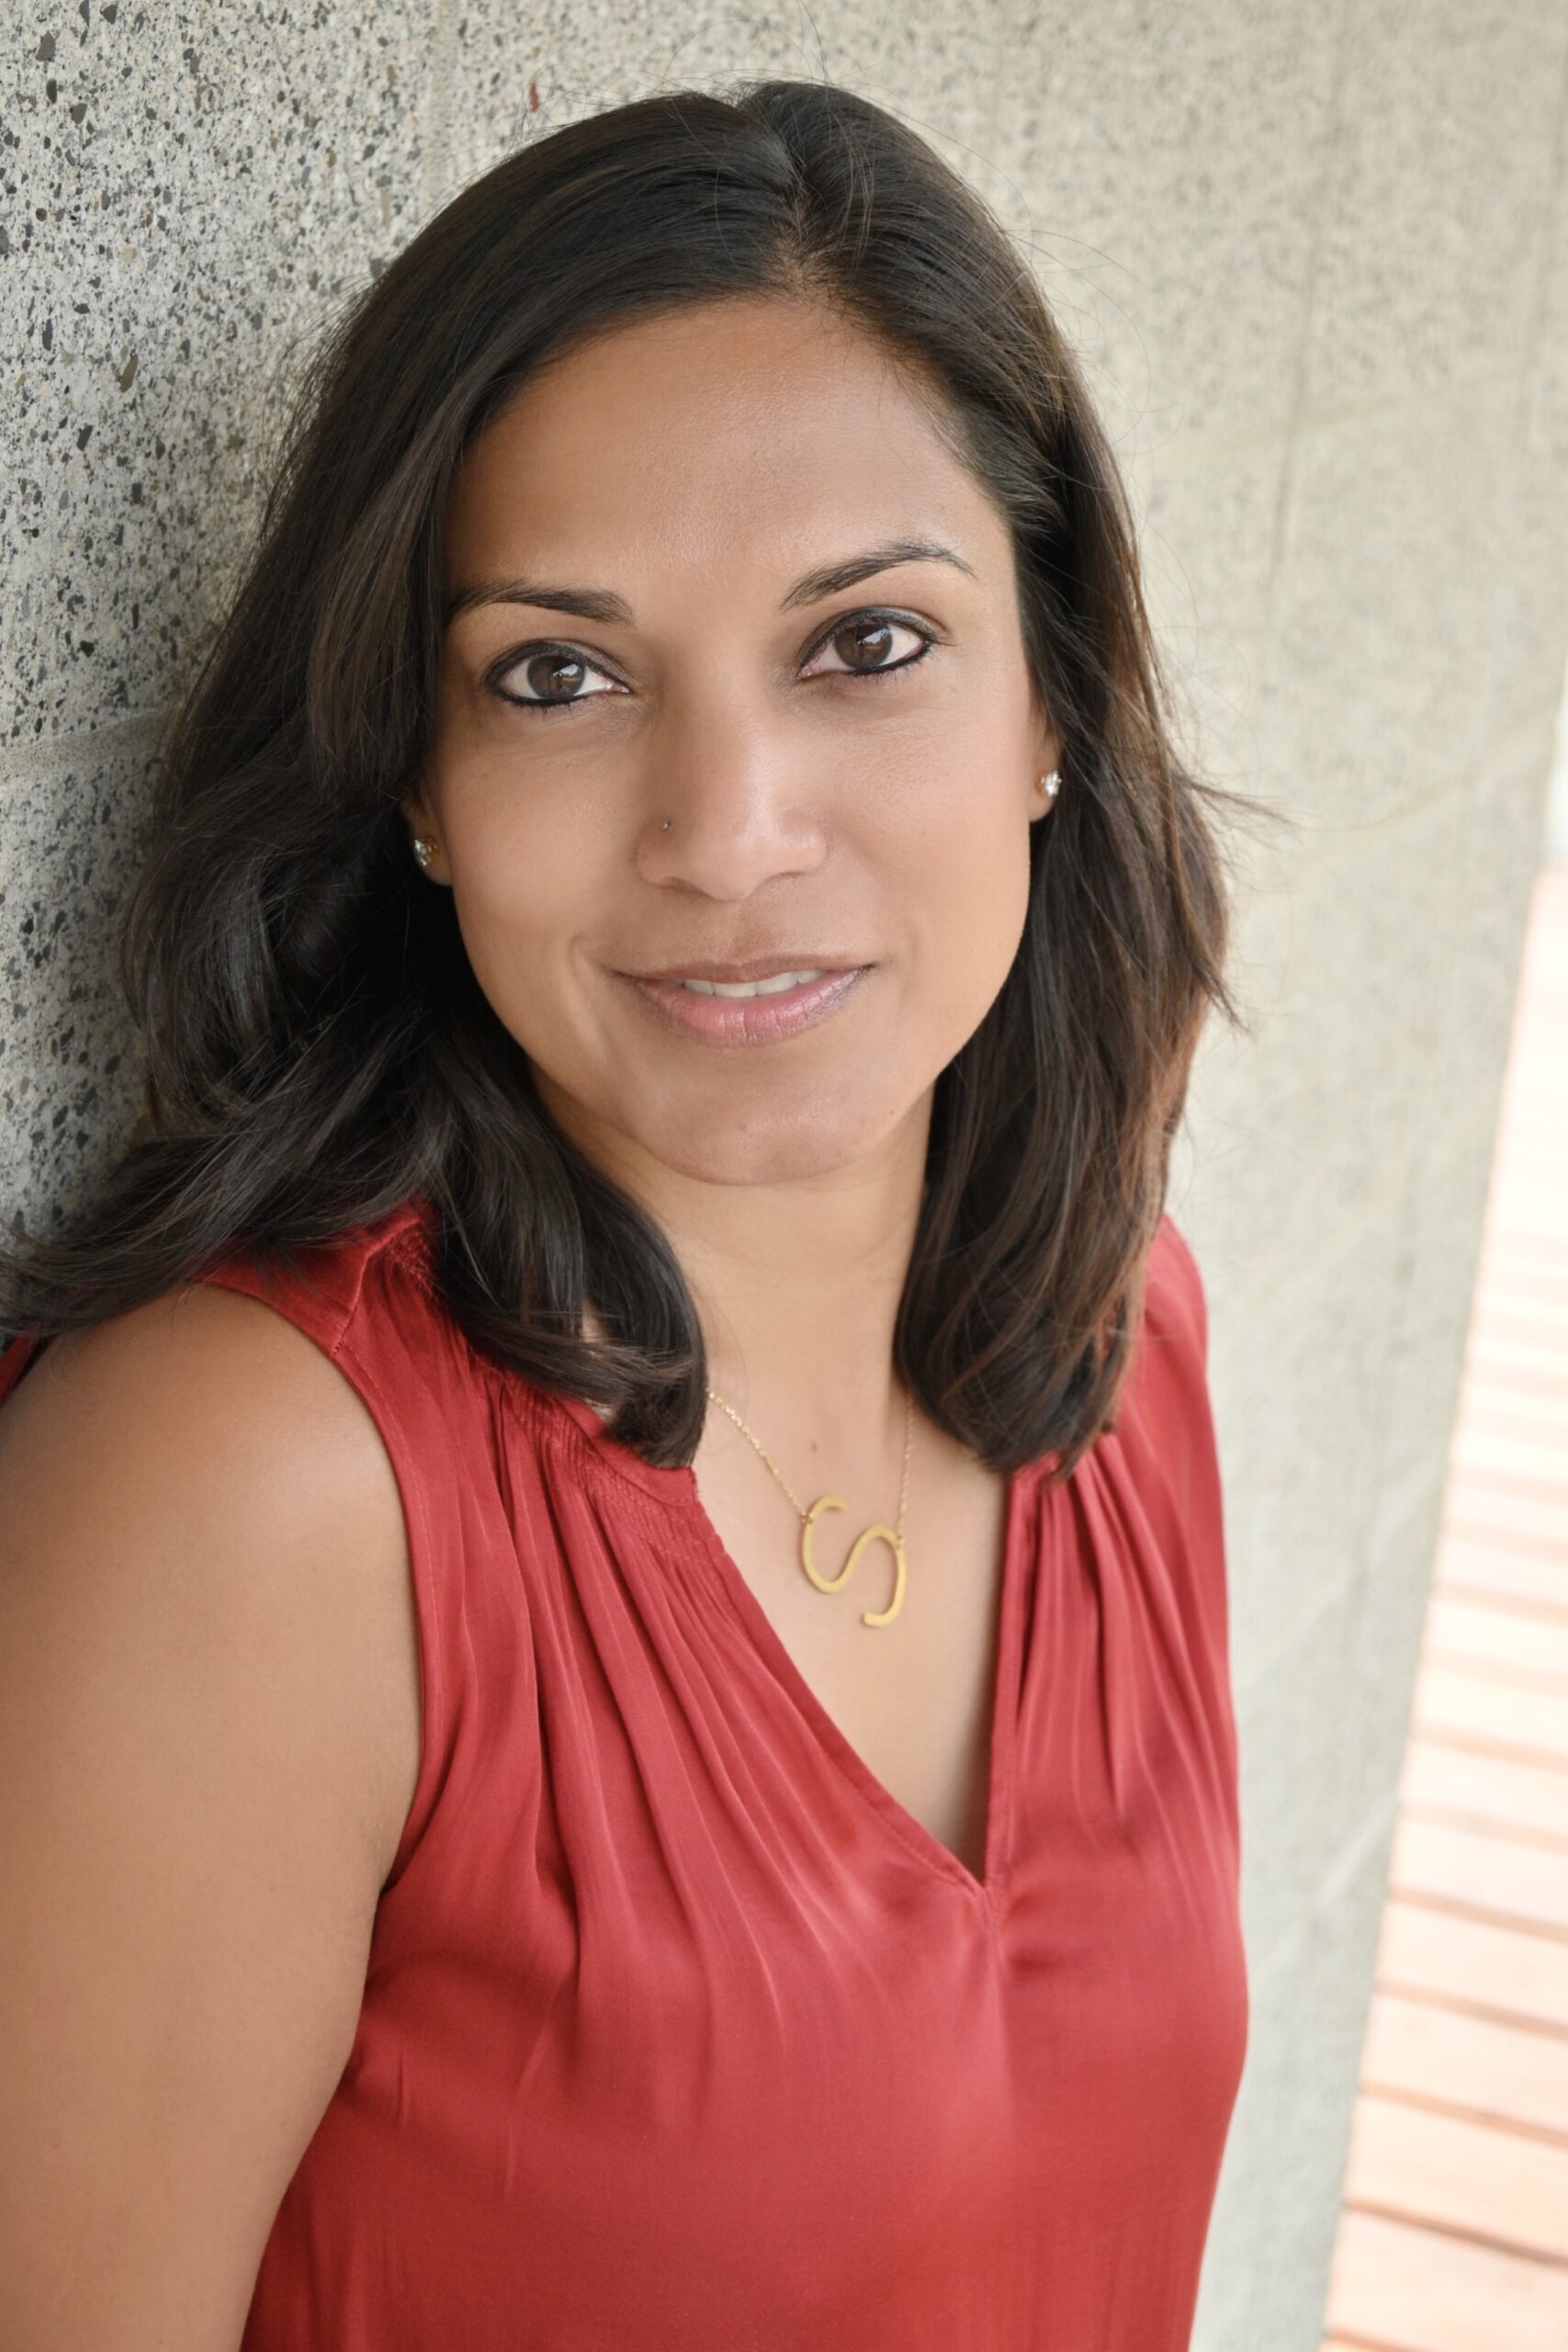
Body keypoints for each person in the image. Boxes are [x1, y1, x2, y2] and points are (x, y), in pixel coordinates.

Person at [0, 76, 1269, 2351]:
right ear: (418, 779)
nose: (724, 827)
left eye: (861, 641)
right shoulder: (255, 1487)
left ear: (1053, 700)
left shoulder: (1121, 1328)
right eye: (558, 675)